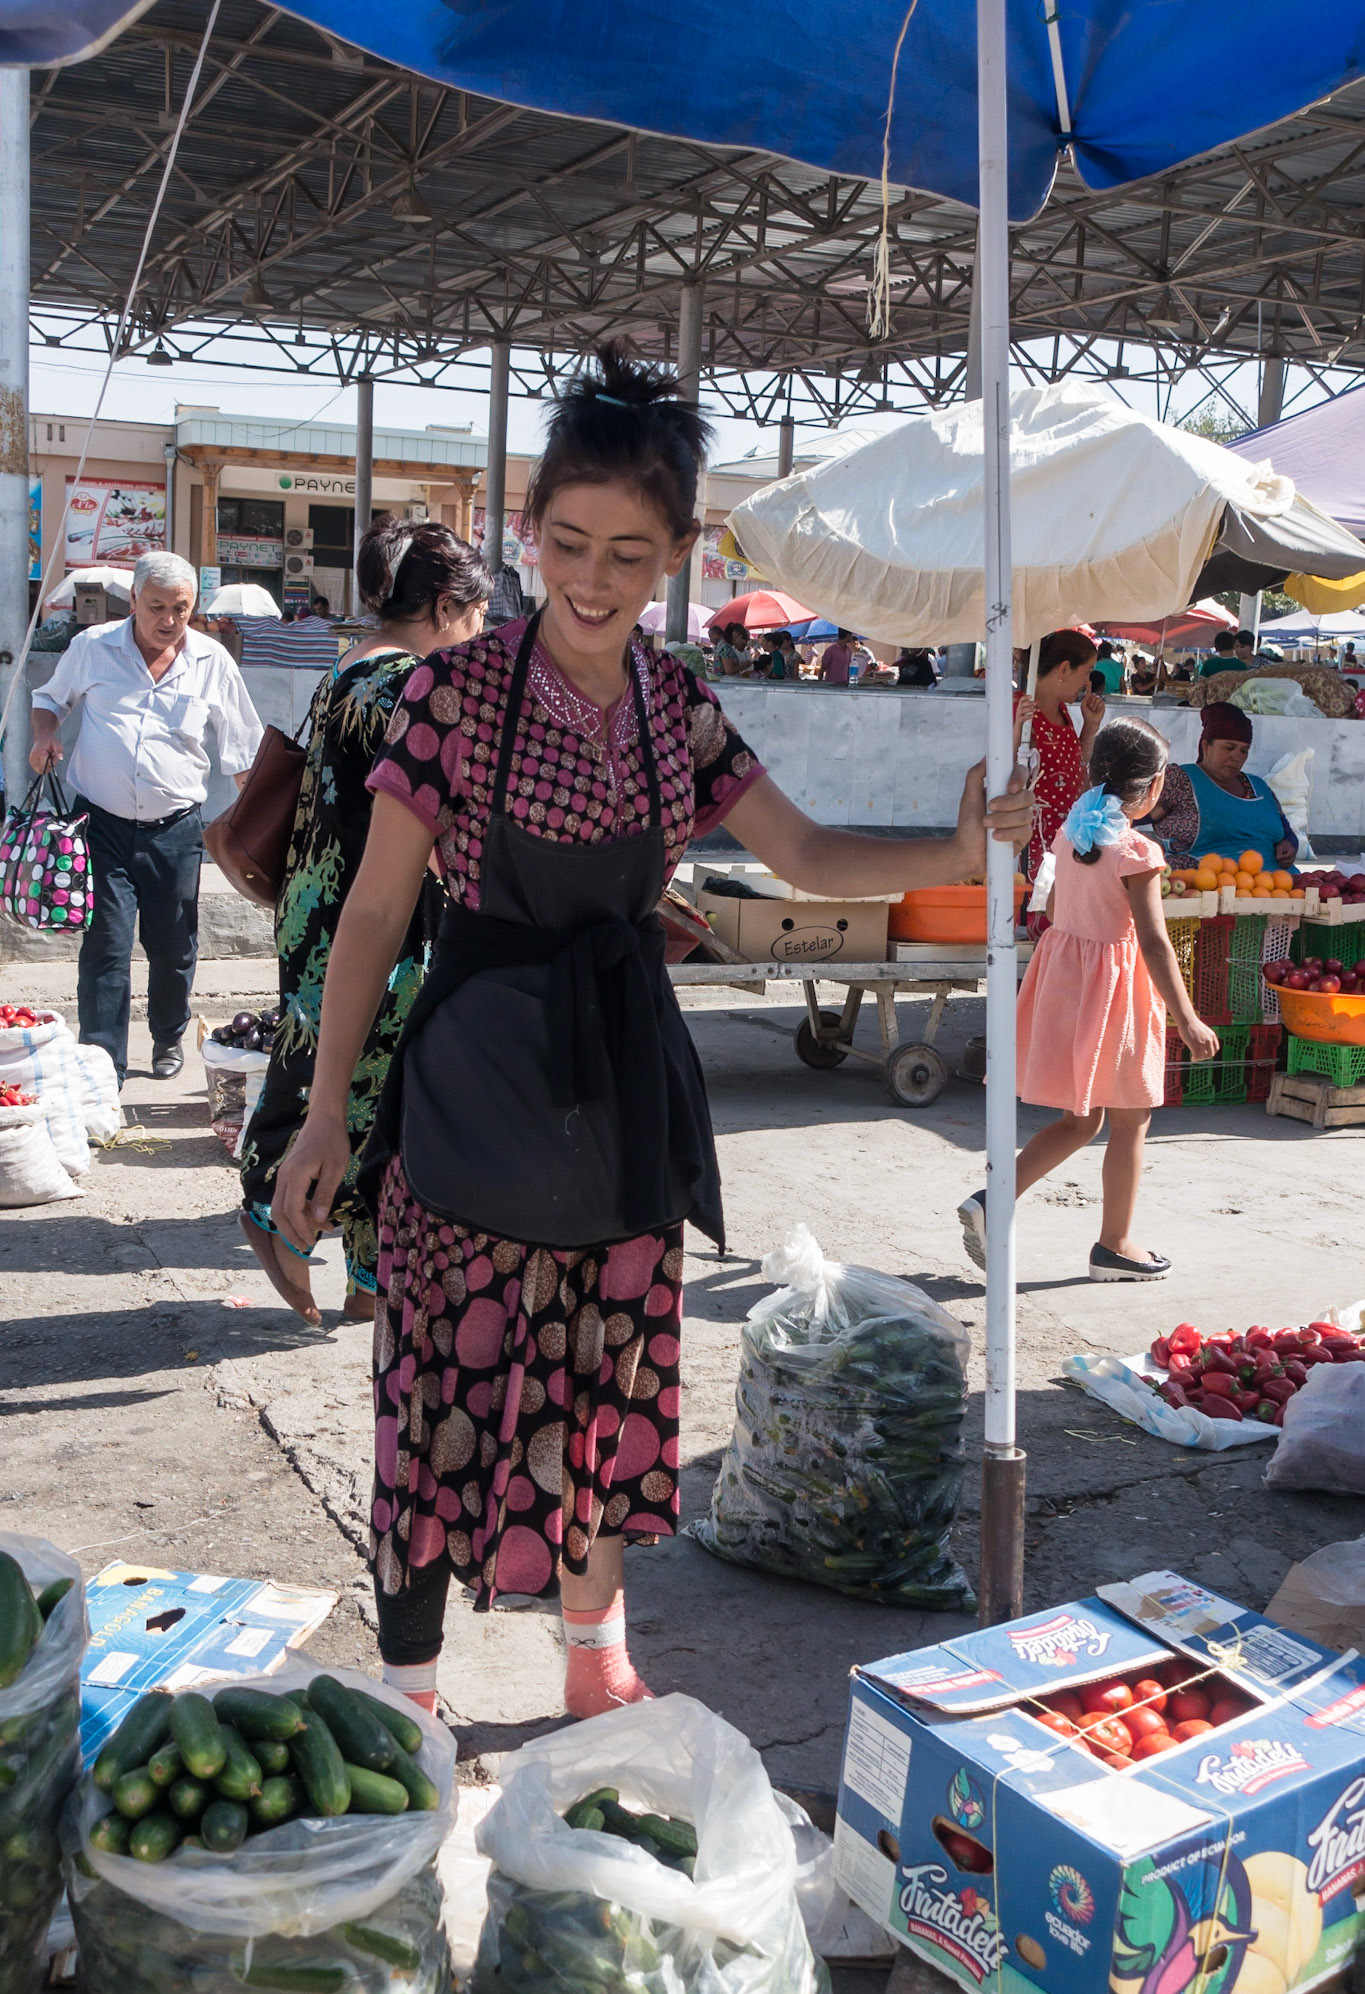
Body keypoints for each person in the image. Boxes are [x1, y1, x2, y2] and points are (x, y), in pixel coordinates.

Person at [270, 344, 1032, 1719]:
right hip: (469, 1094)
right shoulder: (449, 698)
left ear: (679, 551)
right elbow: (377, 919)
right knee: (438, 1380)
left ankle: (592, 1656)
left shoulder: (678, 704)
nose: (594, 577)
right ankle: (414, 1683)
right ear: (528, 532)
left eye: (630, 551)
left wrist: (961, 843)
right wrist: (327, 1111)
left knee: (608, 1384)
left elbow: (799, 849)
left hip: (622, 1097)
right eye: (568, 542)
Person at [239, 519, 492, 1327]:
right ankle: (273, 1205)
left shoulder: (352, 664)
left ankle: (366, 1276)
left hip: (320, 904)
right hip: (372, 919)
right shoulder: (407, 687)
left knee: (366, 1090)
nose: (481, 634)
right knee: (360, 1088)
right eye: (478, 616)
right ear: (448, 605)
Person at [959, 720, 1219, 1284]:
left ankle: (992, 1198)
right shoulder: (1137, 850)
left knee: (1082, 1119)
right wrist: (1188, 1018)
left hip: (1068, 983)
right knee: (1131, 1118)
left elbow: (1053, 913)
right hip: (1114, 993)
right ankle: (1115, 1244)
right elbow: (1152, 942)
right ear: (1151, 789)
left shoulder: (1073, 830)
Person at [28, 551, 262, 1085]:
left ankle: (166, 1037)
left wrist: (255, 826)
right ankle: (101, 1061)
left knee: (174, 945)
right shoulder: (93, 647)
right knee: (107, 944)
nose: (168, 620)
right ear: (133, 600)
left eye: (180, 608)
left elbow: (242, 752)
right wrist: (45, 733)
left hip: (176, 829)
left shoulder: (211, 661)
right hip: (100, 826)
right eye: (156, 606)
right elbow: (49, 698)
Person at [1012, 629, 1107, 937]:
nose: (1087, 683)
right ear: (1065, 669)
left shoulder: (1065, 711)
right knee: (1039, 928)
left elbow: (1076, 770)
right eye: (1087, 672)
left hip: (1064, 842)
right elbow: (1003, 765)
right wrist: (1016, 727)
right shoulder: (1021, 708)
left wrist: (1090, 728)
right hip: (1030, 843)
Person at [1148, 702, 1298, 871]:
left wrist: (1289, 844)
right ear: (1206, 746)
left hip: (1278, 887)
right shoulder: (1179, 781)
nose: (1236, 757)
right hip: (1205, 886)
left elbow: (1287, 832)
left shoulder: (1259, 787)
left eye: (1244, 751)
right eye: (1229, 747)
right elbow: (1132, 815)